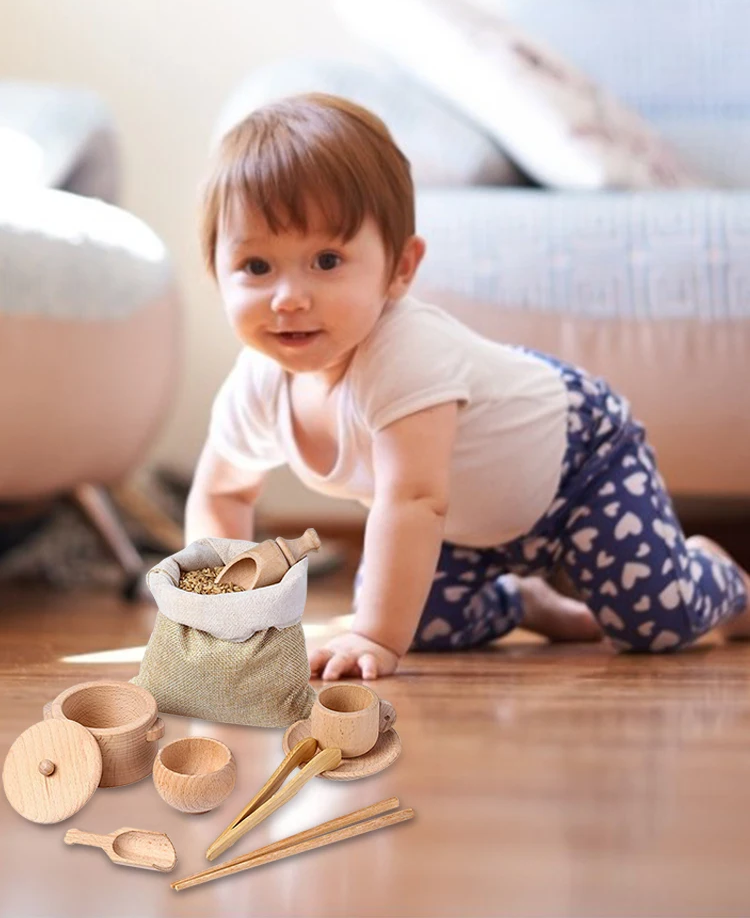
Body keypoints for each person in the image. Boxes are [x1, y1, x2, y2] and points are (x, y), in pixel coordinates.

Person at [185, 92, 750, 681]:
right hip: (464, 525)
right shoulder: (258, 385)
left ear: (401, 268)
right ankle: (530, 601)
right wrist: (227, 618)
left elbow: (413, 500)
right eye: (256, 267)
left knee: (656, 623)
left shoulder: (405, 355)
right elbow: (222, 494)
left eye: (327, 261)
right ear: (216, 271)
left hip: (579, 463)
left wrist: (373, 635)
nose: (289, 297)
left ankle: (714, 576)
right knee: (426, 625)